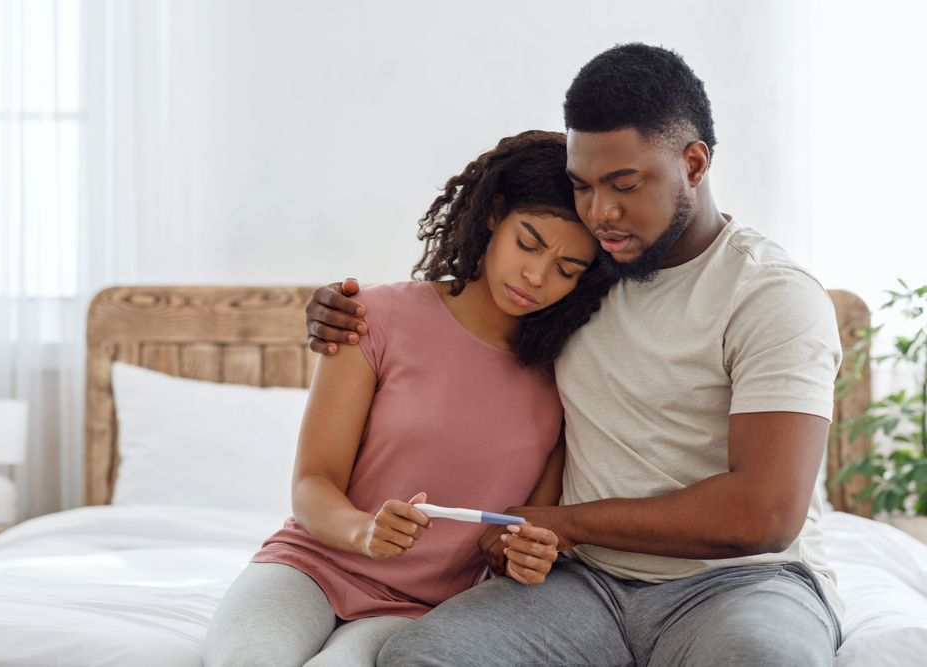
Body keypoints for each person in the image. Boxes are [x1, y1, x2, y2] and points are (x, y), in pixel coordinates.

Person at [304, 43, 844, 667]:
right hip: (584, 584)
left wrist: (567, 523)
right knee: (424, 655)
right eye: (583, 186)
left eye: (624, 185)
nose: (600, 213)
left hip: (744, 583)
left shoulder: (771, 295)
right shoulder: (579, 275)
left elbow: (765, 512)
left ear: (694, 164)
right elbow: (451, 322)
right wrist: (339, 310)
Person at [203, 130, 612, 667]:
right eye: (528, 243)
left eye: (566, 269)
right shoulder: (373, 317)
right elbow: (312, 482)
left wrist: (525, 552)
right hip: (310, 567)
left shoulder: (566, 378)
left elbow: (512, 528)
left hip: (419, 609)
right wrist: (364, 530)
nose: (536, 276)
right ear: (494, 215)